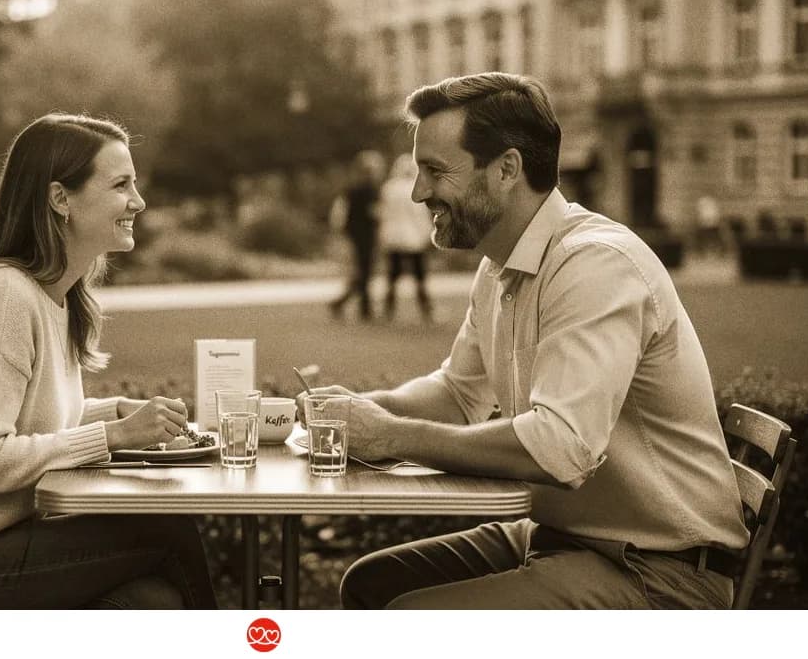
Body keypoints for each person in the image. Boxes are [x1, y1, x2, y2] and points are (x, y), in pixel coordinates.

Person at [302, 73, 748, 609]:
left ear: (507, 169)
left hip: (660, 573)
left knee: (408, 617)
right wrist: (353, 413)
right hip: (568, 540)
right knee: (371, 584)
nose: (419, 193)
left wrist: (393, 436)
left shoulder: (595, 264)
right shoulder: (501, 265)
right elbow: (457, 394)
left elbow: (561, 448)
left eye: (436, 171)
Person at [0, 114, 217, 610]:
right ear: (61, 199)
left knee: (153, 602)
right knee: (165, 531)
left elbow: (28, 422)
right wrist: (113, 437)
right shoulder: (2, 299)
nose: (138, 202)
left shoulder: (53, 294)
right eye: (121, 185)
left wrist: (111, 412)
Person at [328, 150, 385, 321]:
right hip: (365, 235)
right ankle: (357, 306)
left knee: (363, 272)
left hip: (354, 234)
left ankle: (359, 307)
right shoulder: (369, 191)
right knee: (365, 272)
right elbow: (374, 213)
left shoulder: (351, 190)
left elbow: (342, 213)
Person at [377, 153, 434, 322]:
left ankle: (387, 310)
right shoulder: (415, 188)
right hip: (413, 238)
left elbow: (384, 213)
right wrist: (428, 233)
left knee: (392, 277)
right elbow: (420, 216)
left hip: (393, 237)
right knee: (420, 277)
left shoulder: (389, 188)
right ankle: (427, 310)